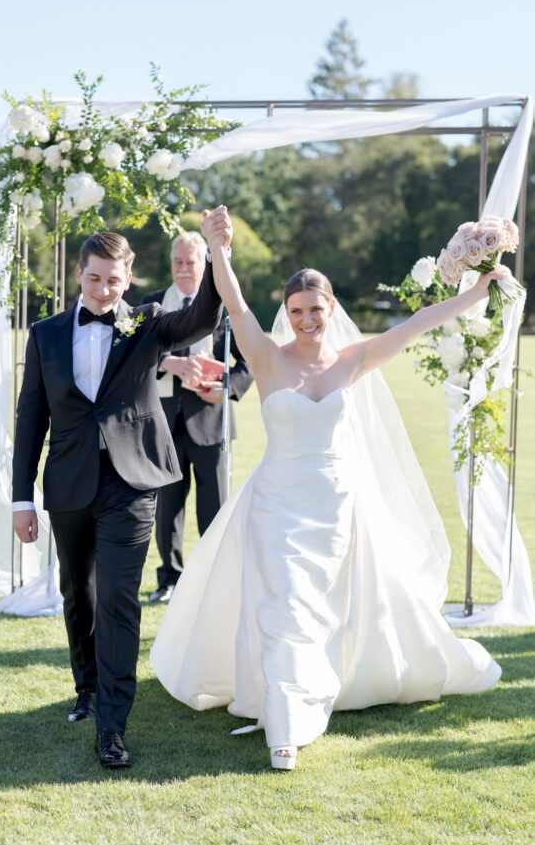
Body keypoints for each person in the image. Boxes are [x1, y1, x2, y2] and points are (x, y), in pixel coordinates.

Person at [151, 208, 503, 771]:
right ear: (286, 315)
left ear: (331, 309)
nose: (307, 319)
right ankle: (286, 726)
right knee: (286, 605)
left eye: (316, 309)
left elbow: (419, 324)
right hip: (276, 503)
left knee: (327, 610)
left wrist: (477, 290)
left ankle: (319, 688)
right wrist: (219, 248)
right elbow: (235, 303)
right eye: (296, 311)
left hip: (338, 504)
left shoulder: (353, 360)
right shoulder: (265, 358)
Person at [12, 211, 230, 769]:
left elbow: (207, 312)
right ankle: (86, 688)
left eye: (114, 279)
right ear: (78, 276)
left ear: (129, 277)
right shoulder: (45, 335)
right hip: (67, 483)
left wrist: (216, 252)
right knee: (77, 593)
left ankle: (113, 724)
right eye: (94, 278)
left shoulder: (151, 324)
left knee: (117, 599)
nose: (104, 288)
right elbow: (30, 418)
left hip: (133, 484)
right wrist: (21, 498)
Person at [143, 231, 253, 603]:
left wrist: (227, 386)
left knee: (214, 508)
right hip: (164, 423)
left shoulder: (224, 302)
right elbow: (133, 357)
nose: (184, 269)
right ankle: (168, 579)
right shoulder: (154, 303)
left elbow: (248, 360)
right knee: (167, 509)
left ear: (204, 265)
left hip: (212, 420)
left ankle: (212, 579)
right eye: (178, 262)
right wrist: (167, 361)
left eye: (191, 262)